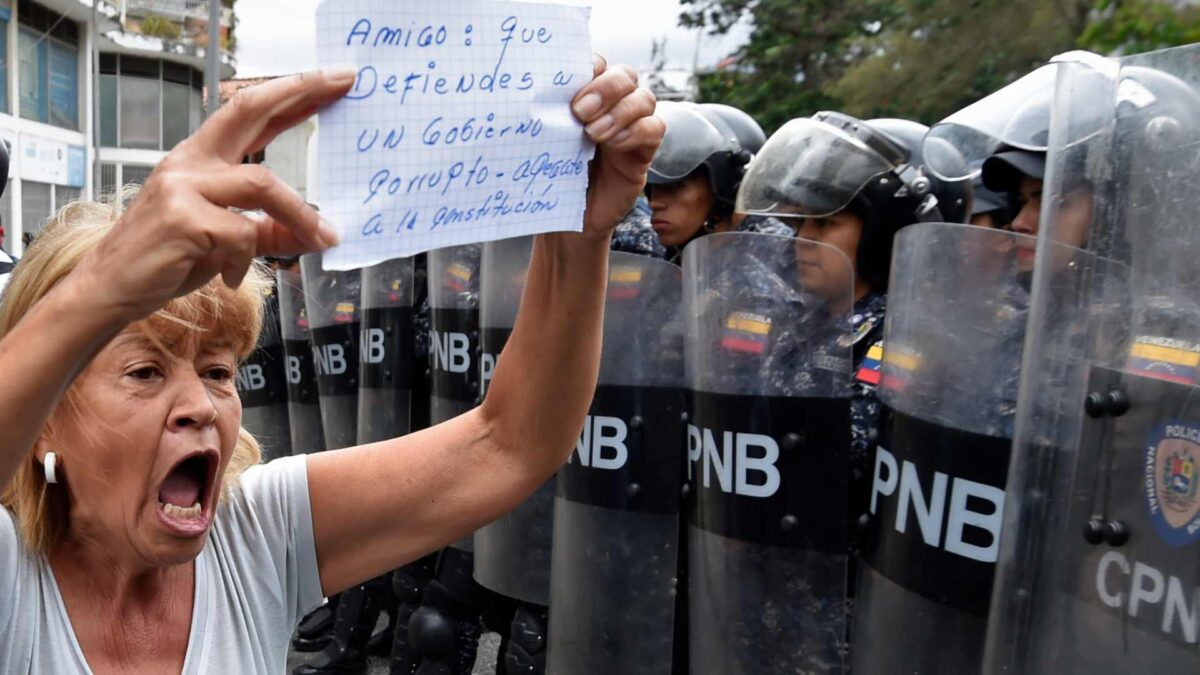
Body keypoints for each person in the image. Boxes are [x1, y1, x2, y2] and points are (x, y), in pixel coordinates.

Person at [0, 61, 662, 673]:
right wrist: (102, 284)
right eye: (144, 372)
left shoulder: (256, 531)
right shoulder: (13, 579)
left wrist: (580, 235)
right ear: (45, 420)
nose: (201, 406)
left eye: (218, 372)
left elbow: (510, 442)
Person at [645, 103, 790, 262]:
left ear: (727, 187)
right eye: (652, 187)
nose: (654, 203)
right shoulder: (665, 257)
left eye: (675, 186)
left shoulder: (781, 254)